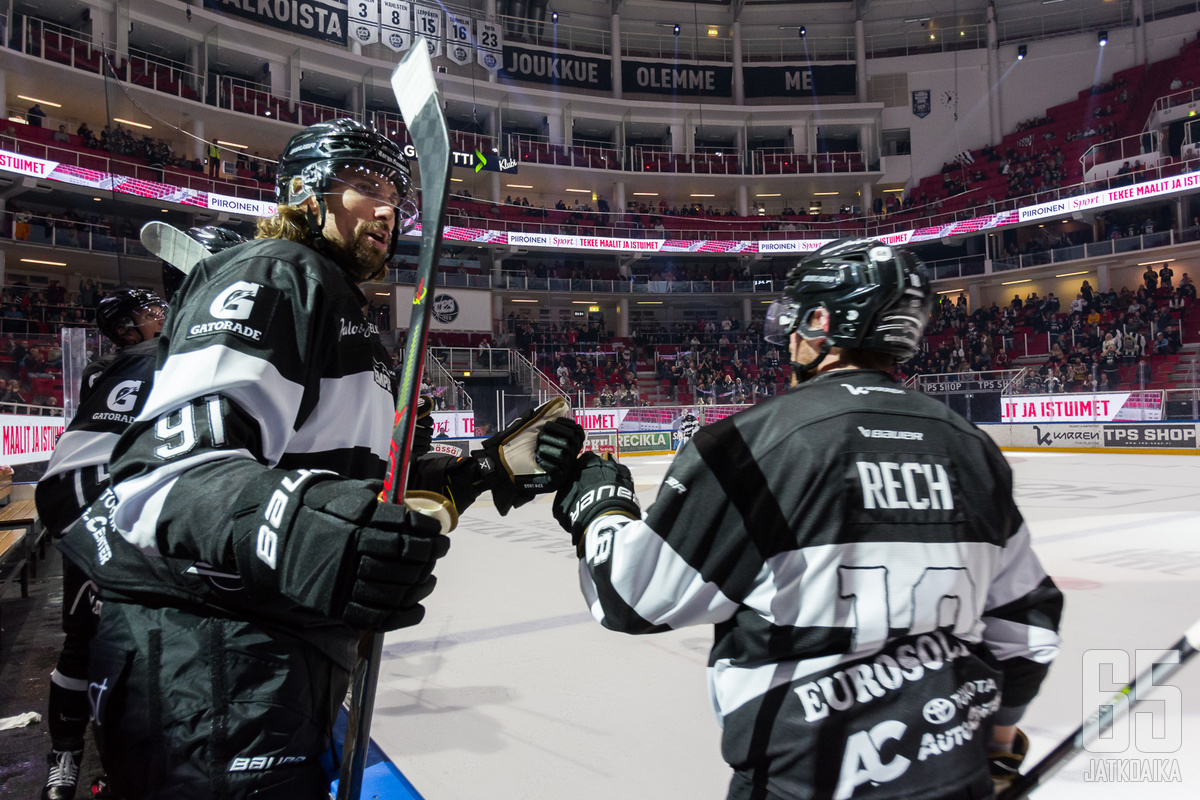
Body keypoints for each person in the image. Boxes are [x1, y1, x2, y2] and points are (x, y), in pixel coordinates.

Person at [57, 119, 584, 799]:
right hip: (209, 663)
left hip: (281, 656)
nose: (389, 208)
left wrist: (481, 472)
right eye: (366, 186)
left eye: (397, 194)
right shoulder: (271, 271)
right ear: (305, 192)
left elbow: (352, 489)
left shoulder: (341, 305)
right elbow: (165, 477)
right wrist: (314, 530)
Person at [549, 238, 1063, 800]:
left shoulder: (752, 445)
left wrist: (600, 502)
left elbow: (629, 597)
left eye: (796, 321)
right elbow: (1027, 628)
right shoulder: (972, 449)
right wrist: (999, 742)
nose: (789, 339)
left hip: (804, 782)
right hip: (953, 776)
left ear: (820, 324)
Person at [35, 289, 167, 800]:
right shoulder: (121, 367)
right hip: (97, 508)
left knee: (139, 640)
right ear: (126, 330)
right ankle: (64, 754)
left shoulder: (161, 356)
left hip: (145, 509)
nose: (160, 316)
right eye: (149, 313)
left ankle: (125, 756)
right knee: (82, 641)